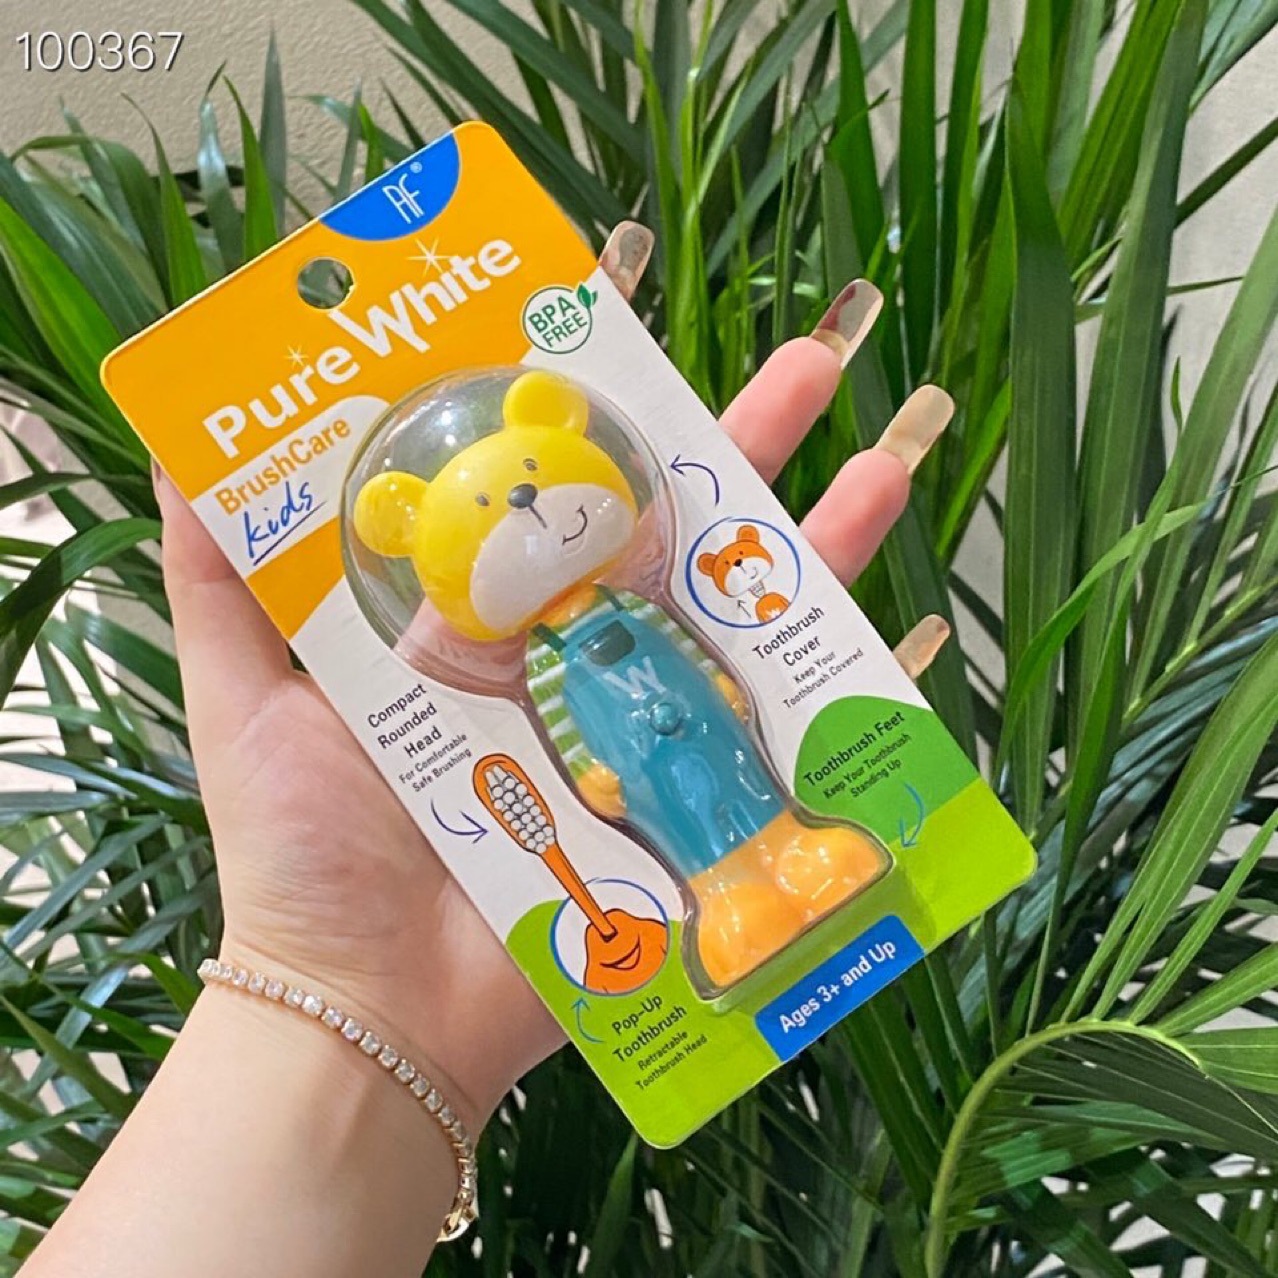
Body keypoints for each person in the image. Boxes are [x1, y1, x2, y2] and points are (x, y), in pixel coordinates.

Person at [23, 223, 950, 1277]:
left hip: (727, 747)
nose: (533, 512)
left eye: (543, 482)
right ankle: (733, 904)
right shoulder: (542, 662)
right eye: (495, 513)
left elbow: (704, 657)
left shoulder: (637, 608)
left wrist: (732, 685)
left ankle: (803, 853)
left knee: (744, 790)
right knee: (697, 832)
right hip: (650, 797)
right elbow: (562, 722)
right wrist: (593, 777)